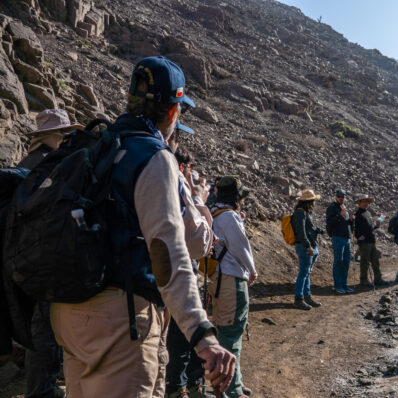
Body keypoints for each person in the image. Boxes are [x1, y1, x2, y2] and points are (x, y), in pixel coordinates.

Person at [48, 56, 236, 398]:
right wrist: (202, 335)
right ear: (173, 112)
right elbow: (170, 253)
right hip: (121, 319)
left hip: (69, 311)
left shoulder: (99, 144)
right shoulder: (153, 156)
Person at [19, 109, 79, 398]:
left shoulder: (26, 163)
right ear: (54, 136)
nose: (66, 140)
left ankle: (39, 385)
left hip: (22, 258)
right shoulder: (51, 166)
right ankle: (43, 389)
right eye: (64, 134)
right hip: (45, 258)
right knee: (47, 329)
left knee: (37, 327)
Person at [166, 133, 218, 398]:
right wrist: (198, 200)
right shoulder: (172, 188)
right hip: (175, 280)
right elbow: (198, 242)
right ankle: (177, 387)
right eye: (189, 170)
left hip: (168, 277)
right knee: (179, 338)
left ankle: (181, 385)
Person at [208, 176, 257, 398]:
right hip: (231, 280)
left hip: (218, 280)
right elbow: (241, 248)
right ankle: (230, 390)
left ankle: (231, 382)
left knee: (225, 332)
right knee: (232, 336)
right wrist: (252, 270)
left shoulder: (213, 212)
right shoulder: (229, 217)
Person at [18, 108, 82, 170]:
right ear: (47, 135)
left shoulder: (40, 156)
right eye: (63, 132)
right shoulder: (44, 158)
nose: (66, 138)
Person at [292, 189, 323, 310]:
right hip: (305, 246)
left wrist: (317, 230)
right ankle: (299, 298)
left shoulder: (306, 212)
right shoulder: (300, 213)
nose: (315, 202)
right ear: (309, 201)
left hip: (310, 245)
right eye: (313, 200)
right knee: (304, 272)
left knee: (307, 272)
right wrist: (308, 246)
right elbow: (301, 232)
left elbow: (308, 229)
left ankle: (306, 296)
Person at [353, 194, 386, 288]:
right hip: (364, 242)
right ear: (359, 203)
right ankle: (363, 280)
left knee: (375, 260)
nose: (365, 203)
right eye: (363, 201)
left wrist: (376, 225)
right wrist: (358, 236)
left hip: (371, 240)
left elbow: (369, 227)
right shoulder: (358, 214)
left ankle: (378, 279)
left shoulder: (367, 213)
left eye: (367, 201)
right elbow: (354, 227)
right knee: (364, 261)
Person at [326, 189, 355, 294]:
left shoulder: (344, 209)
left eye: (343, 196)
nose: (341, 198)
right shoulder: (332, 208)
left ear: (345, 198)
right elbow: (329, 222)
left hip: (347, 238)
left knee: (346, 262)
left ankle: (344, 284)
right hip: (337, 237)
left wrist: (350, 220)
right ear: (335, 197)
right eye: (339, 196)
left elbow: (346, 224)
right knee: (338, 261)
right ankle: (337, 285)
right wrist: (340, 215)